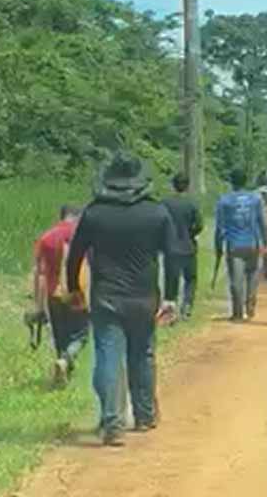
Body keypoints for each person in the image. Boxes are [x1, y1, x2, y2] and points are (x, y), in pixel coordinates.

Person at [67, 153, 177, 447]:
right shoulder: (157, 212)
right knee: (142, 353)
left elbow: (75, 254)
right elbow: (174, 256)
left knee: (108, 356)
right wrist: (171, 297)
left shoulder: (94, 213)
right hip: (144, 297)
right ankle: (144, 415)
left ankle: (112, 422)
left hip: (106, 297)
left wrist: (73, 289)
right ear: (141, 180)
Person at [30, 205, 89, 388]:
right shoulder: (84, 236)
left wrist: (39, 306)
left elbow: (39, 274)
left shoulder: (46, 237)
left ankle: (62, 371)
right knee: (81, 334)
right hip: (77, 292)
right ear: (78, 217)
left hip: (53, 294)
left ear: (62, 216)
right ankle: (67, 360)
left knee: (60, 335)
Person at [214, 169, 267, 322]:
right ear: (246, 181)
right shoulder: (256, 199)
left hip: (234, 246)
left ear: (231, 182)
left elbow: (219, 227)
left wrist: (218, 247)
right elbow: (263, 222)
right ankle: (250, 308)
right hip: (253, 244)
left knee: (236, 281)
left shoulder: (224, 200)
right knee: (252, 277)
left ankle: (237, 314)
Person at [161, 173, 203, 320]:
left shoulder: (164, 203)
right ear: (187, 186)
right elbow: (199, 225)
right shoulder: (192, 204)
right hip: (188, 247)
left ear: (173, 185)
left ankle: (170, 310)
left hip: (170, 247)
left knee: (171, 280)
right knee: (190, 278)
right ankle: (187, 305)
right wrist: (190, 234)